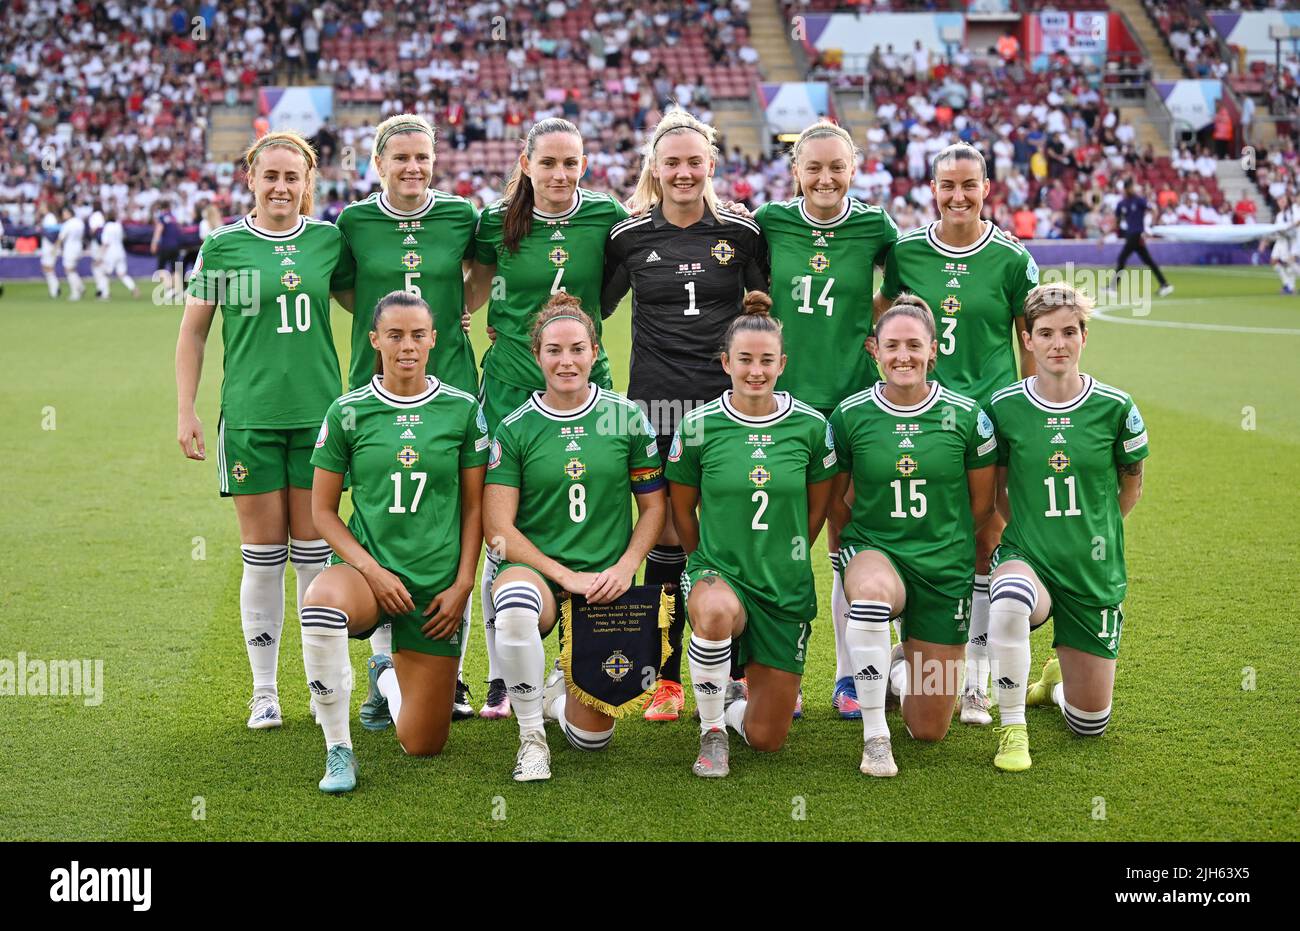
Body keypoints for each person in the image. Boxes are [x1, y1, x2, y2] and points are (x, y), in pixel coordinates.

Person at [602, 107, 770, 723]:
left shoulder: (743, 235)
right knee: (667, 533)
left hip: (728, 406)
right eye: (671, 162)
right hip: (656, 403)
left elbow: (765, 310)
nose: (682, 172)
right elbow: (590, 307)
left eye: (693, 161)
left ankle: (747, 671)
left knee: (735, 527)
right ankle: (668, 678)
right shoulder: (628, 237)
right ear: (655, 166)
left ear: (711, 165)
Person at [176, 130, 348, 729]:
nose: (281, 186)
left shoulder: (329, 241)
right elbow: (194, 332)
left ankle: (322, 686)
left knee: (312, 557)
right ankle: (265, 692)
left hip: (320, 420)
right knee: (263, 557)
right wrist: (186, 410)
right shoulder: (222, 246)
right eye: (269, 176)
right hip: (250, 419)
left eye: (292, 177)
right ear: (250, 178)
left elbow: (376, 301)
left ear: (308, 184)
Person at [467, 118, 630, 719]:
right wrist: (465, 316)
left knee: (592, 505)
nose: (560, 175)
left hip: (590, 382)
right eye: (549, 163)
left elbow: (611, 287)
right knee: (502, 527)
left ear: (584, 164)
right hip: (510, 387)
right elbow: (478, 286)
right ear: (526, 163)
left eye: (571, 163)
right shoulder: (494, 223)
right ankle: (501, 674)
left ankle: (580, 659)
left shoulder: (606, 215)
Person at [302, 291, 488, 792]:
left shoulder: (463, 410)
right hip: (368, 578)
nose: (407, 346)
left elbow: (475, 508)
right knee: (319, 603)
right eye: (395, 335)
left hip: (436, 590)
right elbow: (322, 512)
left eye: (417, 336)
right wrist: (372, 571)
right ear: (375, 340)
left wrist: (464, 583)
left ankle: (384, 674)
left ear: (434, 340)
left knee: (423, 745)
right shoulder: (347, 412)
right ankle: (338, 749)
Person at [879, 141, 1038, 727]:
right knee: (916, 531)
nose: (958, 196)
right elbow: (889, 322)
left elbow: (1028, 343)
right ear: (932, 189)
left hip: (988, 418)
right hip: (921, 419)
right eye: (947, 185)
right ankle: (914, 657)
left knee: (984, 536)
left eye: (969, 185)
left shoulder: (1012, 259)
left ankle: (974, 676)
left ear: (987, 189)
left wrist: (1027, 418)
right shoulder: (907, 254)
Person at [333, 113, 482, 717]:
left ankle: (454, 674)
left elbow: (483, 273)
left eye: (423, 157)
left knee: (451, 528)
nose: (413, 168)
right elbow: (344, 287)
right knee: (387, 515)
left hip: (451, 387)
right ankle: (383, 662)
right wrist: (385, 332)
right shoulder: (355, 221)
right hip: (376, 390)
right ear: (378, 164)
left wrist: (454, 314)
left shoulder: (461, 216)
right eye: (400, 158)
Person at [482, 295, 667, 781]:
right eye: (554, 350)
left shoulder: (626, 417)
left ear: (594, 352)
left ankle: (556, 690)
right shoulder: (516, 426)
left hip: (606, 583)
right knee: (518, 604)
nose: (566, 361)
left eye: (577, 349)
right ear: (537, 355)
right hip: (538, 573)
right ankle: (530, 739)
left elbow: (653, 507)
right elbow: (498, 531)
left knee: (592, 740)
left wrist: (625, 566)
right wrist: (564, 576)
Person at [755, 119, 900, 721]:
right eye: (813, 167)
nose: (824, 177)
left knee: (846, 539)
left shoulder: (875, 226)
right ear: (795, 172)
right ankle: (761, 674)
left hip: (850, 406)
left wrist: (869, 323)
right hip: (779, 407)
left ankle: (849, 674)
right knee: (769, 537)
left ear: (853, 170)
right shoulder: (769, 222)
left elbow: (900, 293)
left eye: (836, 167)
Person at [828, 296, 996, 776]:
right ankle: (875, 736)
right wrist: (852, 552)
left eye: (914, 346)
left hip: (943, 566)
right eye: (892, 346)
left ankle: (895, 662)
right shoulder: (850, 416)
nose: (903, 356)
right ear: (874, 351)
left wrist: (946, 544)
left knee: (928, 729)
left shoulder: (966, 416)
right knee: (872, 597)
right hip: (877, 552)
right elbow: (838, 500)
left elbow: (982, 504)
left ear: (933, 351)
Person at [984, 283, 1149, 771]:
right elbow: (998, 492)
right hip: (1027, 557)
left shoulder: (1116, 407)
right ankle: (1012, 728)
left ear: (1084, 337)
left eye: (1070, 331)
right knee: (1010, 597)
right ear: (1028, 340)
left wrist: (1089, 534)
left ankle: (1055, 682)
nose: (1059, 343)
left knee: (1089, 725)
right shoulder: (1004, 407)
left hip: (1092, 569)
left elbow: (1131, 488)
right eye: (1046, 332)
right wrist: (1034, 532)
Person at [666, 308, 836, 777]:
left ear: (783, 364)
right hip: (721, 572)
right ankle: (713, 728)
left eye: (766, 360)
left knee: (767, 739)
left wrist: (790, 552)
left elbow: (817, 508)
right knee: (716, 610)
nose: (756, 371)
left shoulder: (810, 427)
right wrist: (703, 563)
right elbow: (682, 508)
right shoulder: (699, 426)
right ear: (726, 363)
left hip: (784, 584)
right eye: (745, 360)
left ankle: (736, 703)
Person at [1113, 180, 1173, 297]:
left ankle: (1112, 287)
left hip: (1136, 235)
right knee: (1148, 261)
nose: (1132, 190)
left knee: (1122, 258)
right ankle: (1164, 284)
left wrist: (1150, 227)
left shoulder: (1139, 200)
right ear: (1125, 189)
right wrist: (1105, 235)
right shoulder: (1122, 204)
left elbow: (1154, 210)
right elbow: (1117, 222)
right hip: (1133, 235)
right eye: (1130, 187)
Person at [94, 210, 140, 298]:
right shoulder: (118, 225)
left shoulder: (107, 227)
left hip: (110, 253)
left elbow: (105, 243)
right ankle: (133, 287)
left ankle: (104, 293)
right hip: (120, 251)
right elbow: (123, 237)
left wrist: (99, 256)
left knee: (104, 273)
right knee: (122, 274)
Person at [152, 199, 183, 300]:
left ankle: (169, 289)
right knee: (175, 269)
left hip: (165, 246)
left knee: (161, 269)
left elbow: (159, 230)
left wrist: (154, 243)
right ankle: (178, 292)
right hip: (176, 246)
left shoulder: (162, 217)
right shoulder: (174, 218)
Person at [1269, 193, 1299, 295]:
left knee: (1289, 262)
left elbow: (1297, 222)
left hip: (1289, 240)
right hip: (1280, 240)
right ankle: (1288, 284)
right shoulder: (1279, 215)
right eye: (1279, 201)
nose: (1281, 202)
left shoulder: (1292, 211)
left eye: (1283, 200)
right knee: (1274, 261)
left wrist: (1290, 227)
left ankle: (1290, 287)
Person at [57, 207, 86, 302]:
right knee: (72, 269)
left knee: (68, 270)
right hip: (78, 247)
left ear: (69, 213)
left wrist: (55, 248)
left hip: (70, 248)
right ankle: (80, 286)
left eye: (65, 213)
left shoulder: (67, 224)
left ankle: (75, 292)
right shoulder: (79, 222)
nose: (63, 215)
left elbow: (61, 238)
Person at [40, 208, 61, 299]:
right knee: (46, 267)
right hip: (48, 247)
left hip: (50, 247)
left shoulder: (50, 217)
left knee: (48, 267)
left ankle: (55, 290)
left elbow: (53, 233)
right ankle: (55, 288)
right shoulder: (46, 217)